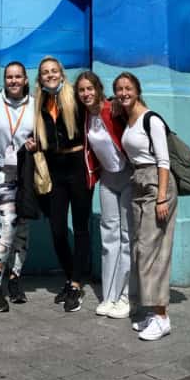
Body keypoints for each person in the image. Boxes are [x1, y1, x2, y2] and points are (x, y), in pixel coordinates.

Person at [114, 71, 177, 341]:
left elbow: (163, 161)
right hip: (139, 182)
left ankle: (162, 318)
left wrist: (161, 197)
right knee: (141, 249)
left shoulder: (152, 119)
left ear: (137, 90)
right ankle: (152, 312)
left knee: (154, 251)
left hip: (156, 184)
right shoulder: (130, 120)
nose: (123, 93)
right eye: (119, 89)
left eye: (128, 88)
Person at [33, 56, 93, 313]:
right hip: (55, 170)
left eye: (54, 71)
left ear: (61, 73)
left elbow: (96, 104)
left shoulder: (74, 96)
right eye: (45, 72)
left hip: (77, 167)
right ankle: (70, 277)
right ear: (40, 78)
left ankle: (76, 284)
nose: (50, 75)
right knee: (57, 229)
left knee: (80, 228)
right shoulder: (39, 102)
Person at [75, 71, 132, 319]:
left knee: (128, 237)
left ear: (98, 89)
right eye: (81, 90)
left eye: (90, 88)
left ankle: (126, 296)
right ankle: (109, 296)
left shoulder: (114, 109)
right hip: (107, 179)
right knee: (109, 237)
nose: (86, 94)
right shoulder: (86, 116)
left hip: (128, 176)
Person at [0, 61, 36, 312]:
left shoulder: (35, 105)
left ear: (25, 80)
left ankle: (14, 278)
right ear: (4, 80)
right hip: (1, 174)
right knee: (6, 227)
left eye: (18, 77)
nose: (13, 81)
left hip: (26, 175)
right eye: (9, 77)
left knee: (22, 228)